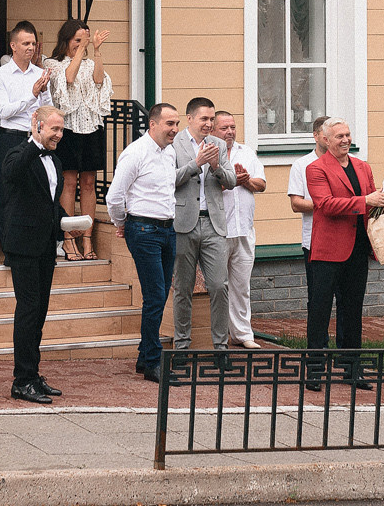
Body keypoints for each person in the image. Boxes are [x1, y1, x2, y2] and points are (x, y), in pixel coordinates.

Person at [303, 118, 384, 391]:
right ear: (326, 140)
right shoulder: (315, 169)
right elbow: (327, 205)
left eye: (348, 135)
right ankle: (315, 372)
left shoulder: (362, 167)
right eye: (339, 136)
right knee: (319, 311)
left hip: (357, 249)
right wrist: (366, 200)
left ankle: (352, 370)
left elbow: (371, 201)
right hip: (328, 250)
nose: (345, 140)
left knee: (352, 312)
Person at [106, 101, 182, 383]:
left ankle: (143, 355)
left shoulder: (169, 152)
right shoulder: (135, 153)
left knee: (161, 294)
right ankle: (152, 361)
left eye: (176, 124)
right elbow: (114, 196)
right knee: (154, 295)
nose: (174, 129)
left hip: (167, 229)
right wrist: (121, 223)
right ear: (153, 124)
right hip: (143, 229)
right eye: (169, 124)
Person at [0, 106, 69, 404]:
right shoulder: (19, 152)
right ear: (38, 126)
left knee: (38, 312)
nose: (59, 134)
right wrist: (35, 142)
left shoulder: (55, 160)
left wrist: (66, 223)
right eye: (54, 129)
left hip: (44, 245)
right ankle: (22, 380)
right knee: (27, 311)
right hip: (22, 244)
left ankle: (33, 373)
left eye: (61, 129)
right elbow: (11, 174)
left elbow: (48, 202)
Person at [171, 97, 237, 355]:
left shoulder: (219, 144)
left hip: (213, 223)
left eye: (212, 119)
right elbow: (169, 180)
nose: (209, 124)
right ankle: (182, 347)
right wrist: (195, 164)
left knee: (219, 286)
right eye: (204, 119)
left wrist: (216, 166)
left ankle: (221, 348)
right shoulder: (174, 143)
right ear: (190, 119)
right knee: (183, 288)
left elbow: (231, 181)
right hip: (183, 223)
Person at [46, 19, 112, 261]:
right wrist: (81, 49)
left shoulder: (89, 61)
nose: (80, 45)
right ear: (66, 41)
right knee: (69, 182)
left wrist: (95, 50)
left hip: (91, 127)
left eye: (83, 40)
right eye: (77, 41)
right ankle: (68, 239)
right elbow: (68, 79)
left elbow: (99, 81)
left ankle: (87, 237)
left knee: (88, 182)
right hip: (69, 128)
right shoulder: (52, 63)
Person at [213, 109, 268, 349]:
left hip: (244, 228)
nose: (230, 132)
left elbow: (261, 184)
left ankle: (243, 334)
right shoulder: (208, 154)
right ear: (213, 129)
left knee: (241, 284)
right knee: (217, 285)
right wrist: (229, 181)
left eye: (233, 127)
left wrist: (244, 180)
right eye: (224, 128)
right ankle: (218, 334)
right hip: (217, 230)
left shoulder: (246, 152)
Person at [0, 21, 54, 167]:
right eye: (26, 44)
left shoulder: (40, 74)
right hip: (12, 138)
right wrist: (32, 96)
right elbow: (4, 112)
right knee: (12, 187)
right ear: (13, 46)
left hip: (37, 138)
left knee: (38, 186)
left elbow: (48, 112)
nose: (31, 48)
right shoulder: (0, 75)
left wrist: (43, 92)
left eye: (33, 44)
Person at [285, 116, 330, 257]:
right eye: (326, 134)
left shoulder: (351, 162)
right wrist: (330, 205)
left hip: (346, 240)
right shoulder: (301, 165)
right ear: (315, 136)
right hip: (315, 240)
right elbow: (296, 204)